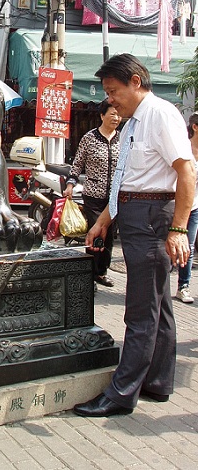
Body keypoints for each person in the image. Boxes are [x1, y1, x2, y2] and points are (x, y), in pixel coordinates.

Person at [73, 53, 195, 417]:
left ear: (136, 82)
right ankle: (157, 381)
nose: (110, 99)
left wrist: (178, 228)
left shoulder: (160, 115)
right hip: (136, 212)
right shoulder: (132, 123)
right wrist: (103, 222)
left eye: (114, 91)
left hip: (153, 218)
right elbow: (127, 183)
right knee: (159, 305)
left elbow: (186, 172)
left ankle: (121, 394)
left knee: (141, 311)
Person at [64, 99, 121, 288]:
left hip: (114, 197)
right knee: (96, 233)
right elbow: (78, 164)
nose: (116, 118)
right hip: (93, 196)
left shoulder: (123, 138)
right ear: (102, 115)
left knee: (109, 236)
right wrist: (71, 184)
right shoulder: (89, 138)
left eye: (118, 115)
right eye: (112, 114)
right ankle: (89, 273)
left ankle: (101, 272)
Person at [175, 112, 198, 303]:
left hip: (195, 207)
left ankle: (184, 285)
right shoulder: (182, 149)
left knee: (188, 247)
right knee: (169, 247)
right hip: (175, 206)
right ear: (195, 127)